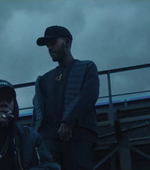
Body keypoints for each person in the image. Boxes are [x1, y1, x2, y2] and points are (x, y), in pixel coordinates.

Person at [33, 25, 100, 170]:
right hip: (50, 140)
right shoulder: (44, 79)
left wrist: (68, 120)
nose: (50, 48)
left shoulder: (87, 67)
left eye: (53, 43)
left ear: (67, 42)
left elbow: (88, 96)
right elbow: (38, 114)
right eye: (47, 46)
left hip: (79, 137)